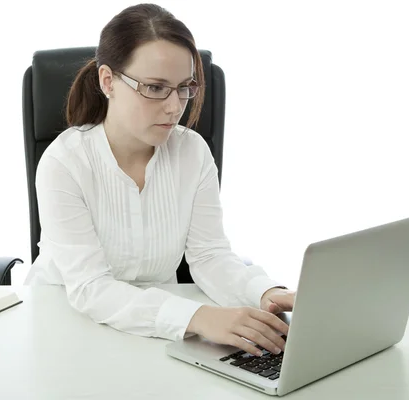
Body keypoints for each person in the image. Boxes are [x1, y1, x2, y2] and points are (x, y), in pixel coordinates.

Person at [29, 3, 296, 357]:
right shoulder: (65, 161)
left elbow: (209, 255)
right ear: (108, 80)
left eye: (184, 87)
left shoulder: (193, 152)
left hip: (155, 335)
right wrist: (198, 317)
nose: (175, 107)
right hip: (64, 330)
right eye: (156, 88)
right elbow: (90, 288)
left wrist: (264, 292)